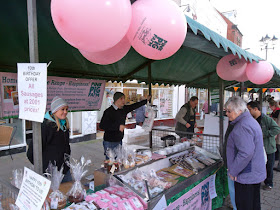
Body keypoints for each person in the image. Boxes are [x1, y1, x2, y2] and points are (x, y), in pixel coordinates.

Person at [225, 96, 266, 210]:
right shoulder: (248, 120)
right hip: (253, 173)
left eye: (229, 111)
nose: (227, 114)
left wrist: (233, 171)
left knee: (245, 205)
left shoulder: (242, 126)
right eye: (226, 111)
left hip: (246, 175)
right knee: (253, 204)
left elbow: (245, 153)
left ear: (239, 111)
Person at [27, 96, 72, 183]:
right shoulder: (46, 126)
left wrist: (67, 162)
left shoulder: (64, 124)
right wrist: (43, 167)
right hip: (50, 173)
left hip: (65, 170)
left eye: (66, 109)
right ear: (55, 110)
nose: (65, 112)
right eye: (62, 109)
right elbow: (31, 152)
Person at [99, 92, 151, 159]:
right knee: (110, 162)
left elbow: (134, 106)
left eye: (124, 98)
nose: (124, 100)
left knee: (118, 161)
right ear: (117, 100)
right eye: (122, 99)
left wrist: (146, 101)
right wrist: (118, 127)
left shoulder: (124, 109)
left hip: (119, 140)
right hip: (109, 142)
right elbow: (102, 125)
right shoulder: (108, 111)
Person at [247, 101, 280, 190]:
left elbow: (277, 129)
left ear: (256, 109)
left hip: (268, 148)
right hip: (257, 147)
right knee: (258, 165)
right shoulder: (251, 119)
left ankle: (269, 183)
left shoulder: (266, 119)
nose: (248, 111)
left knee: (269, 166)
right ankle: (257, 180)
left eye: (249, 109)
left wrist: (263, 134)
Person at [269, 100, 280, 172]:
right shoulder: (276, 112)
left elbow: (278, 124)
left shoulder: (278, 112)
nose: (270, 107)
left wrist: (275, 133)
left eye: (270, 106)